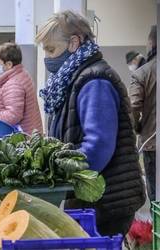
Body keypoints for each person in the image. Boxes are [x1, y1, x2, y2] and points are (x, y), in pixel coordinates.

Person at [35, 10, 145, 236]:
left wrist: (57, 170)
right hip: (94, 197)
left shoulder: (95, 81)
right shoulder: (76, 77)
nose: (48, 58)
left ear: (74, 43)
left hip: (108, 200)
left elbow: (97, 148)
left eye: (51, 49)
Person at [0, 43, 42, 134]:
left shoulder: (14, 84)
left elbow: (12, 116)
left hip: (20, 139)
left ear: (9, 64)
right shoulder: (20, 74)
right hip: (28, 134)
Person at [129, 25, 157, 201]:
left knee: (157, 201)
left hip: (153, 144)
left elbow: (133, 106)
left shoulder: (142, 73)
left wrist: (138, 127)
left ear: (151, 43)